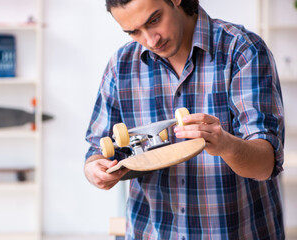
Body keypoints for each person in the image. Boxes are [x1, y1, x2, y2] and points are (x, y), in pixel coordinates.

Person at [84, 0, 285, 239]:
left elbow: (265, 165)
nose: (150, 40)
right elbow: (98, 149)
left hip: (234, 231)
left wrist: (226, 145)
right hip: (151, 231)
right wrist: (95, 168)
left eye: (154, 20)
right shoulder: (121, 65)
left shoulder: (242, 49)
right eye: (134, 32)